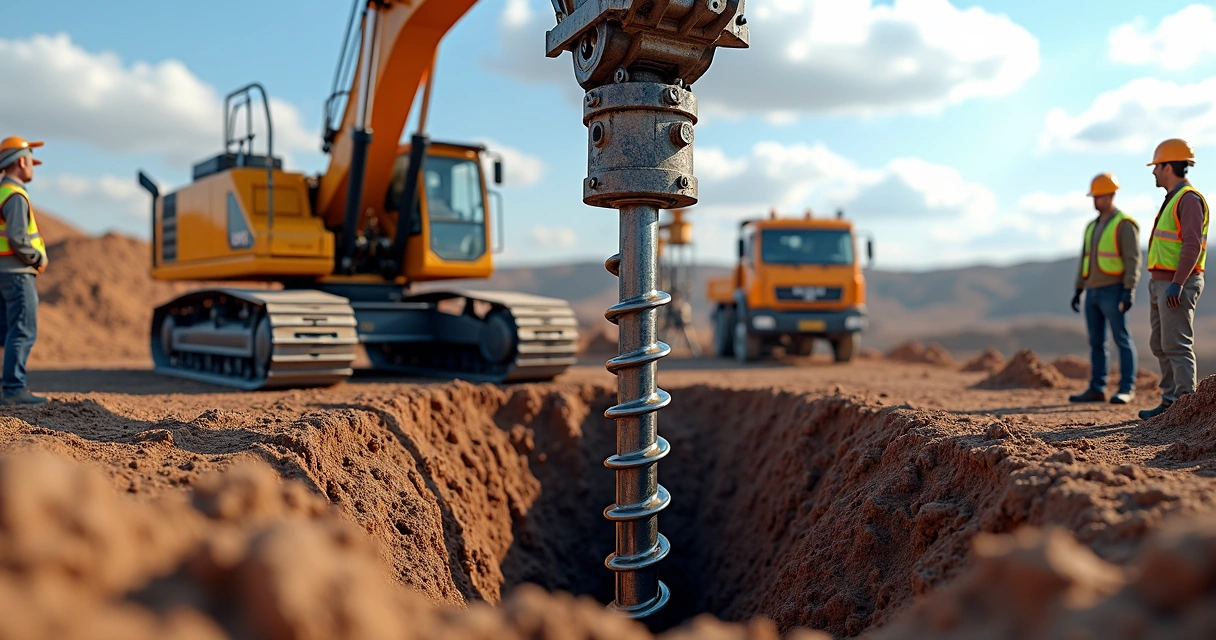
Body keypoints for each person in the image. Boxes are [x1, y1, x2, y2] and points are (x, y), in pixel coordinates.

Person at [1139, 138, 1208, 420]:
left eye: (1156, 166)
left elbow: (1192, 245)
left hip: (1176, 283)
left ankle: (1184, 408)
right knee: (1160, 344)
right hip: (1162, 282)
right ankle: (1170, 402)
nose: (1154, 172)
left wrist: (1178, 283)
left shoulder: (1188, 199)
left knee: (1177, 345)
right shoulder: (1174, 199)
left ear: (1168, 167)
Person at [1069, 173, 1140, 405]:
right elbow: (1085, 258)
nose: (1095, 200)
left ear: (1111, 195)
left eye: (1099, 196)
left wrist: (1128, 290)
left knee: (1121, 339)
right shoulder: (1091, 226)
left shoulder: (1124, 224)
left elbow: (1132, 260)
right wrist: (1079, 288)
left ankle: (1126, 388)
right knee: (1096, 342)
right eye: (1094, 196)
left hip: (1113, 290)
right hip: (1092, 291)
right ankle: (1097, 388)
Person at [0, 136, 49, 405]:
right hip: (17, 273)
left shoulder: (1, 193)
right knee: (22, 330)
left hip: (2, 273)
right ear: (21, 162)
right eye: (31, 161)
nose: (32, 167)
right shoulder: (15, 195)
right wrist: (37, 258)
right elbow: (18, 239)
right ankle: (13, 389)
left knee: (5, 331)